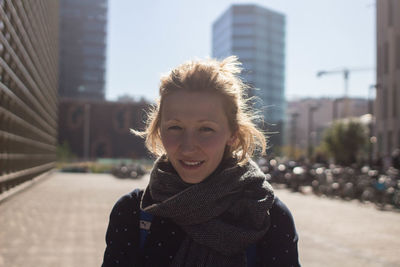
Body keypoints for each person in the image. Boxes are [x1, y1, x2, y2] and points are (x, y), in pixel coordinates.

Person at [101, 56, 301, 267]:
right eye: (175, 127)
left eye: (206, 129)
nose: (188, 146)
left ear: (232, 134)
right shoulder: (134, 213)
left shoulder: (268, 216)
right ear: (159, 129)